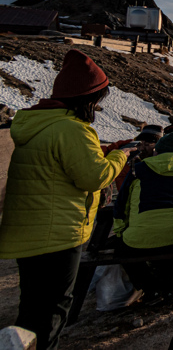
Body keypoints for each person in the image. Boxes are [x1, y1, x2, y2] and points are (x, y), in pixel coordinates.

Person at [0, 49, 130, 350]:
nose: (99, 105)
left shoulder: (41, 124)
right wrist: (121, 156)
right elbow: (94, 177)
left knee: (32, 306)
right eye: (98, 98)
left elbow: (57, 163)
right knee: (54, 310)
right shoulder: (72, 129)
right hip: (57, 235)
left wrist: (104, 150)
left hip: (30, 233)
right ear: (87, 97)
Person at [113, 130, 173, 306]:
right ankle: (168, 288)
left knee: (122, 249)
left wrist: (120, 231)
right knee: (165, 244)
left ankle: (150, 287)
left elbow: (122, 204)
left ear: (158, 150)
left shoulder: (139, 168)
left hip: (139, 238)